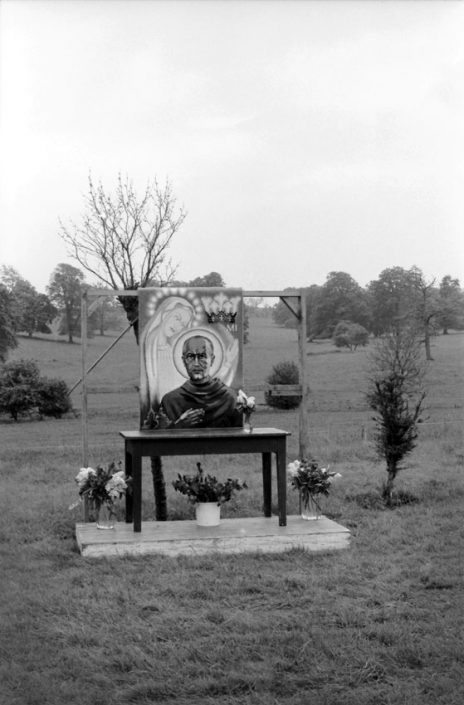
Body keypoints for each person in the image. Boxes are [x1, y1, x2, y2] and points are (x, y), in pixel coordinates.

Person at [148, 334, 241, 429]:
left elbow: (240, 438)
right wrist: (179, 426)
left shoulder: (229, 398)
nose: (196, 363)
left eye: (202, 356)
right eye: (190, 356)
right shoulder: (171, 401)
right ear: (184, 361)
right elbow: (160, 440)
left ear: (212, 360)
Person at [139, 297, 195, 418]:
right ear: (165, 313)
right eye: (177, 318)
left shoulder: (173, 351)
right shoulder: (149, 347)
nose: (177, 326)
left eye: (183, 324)